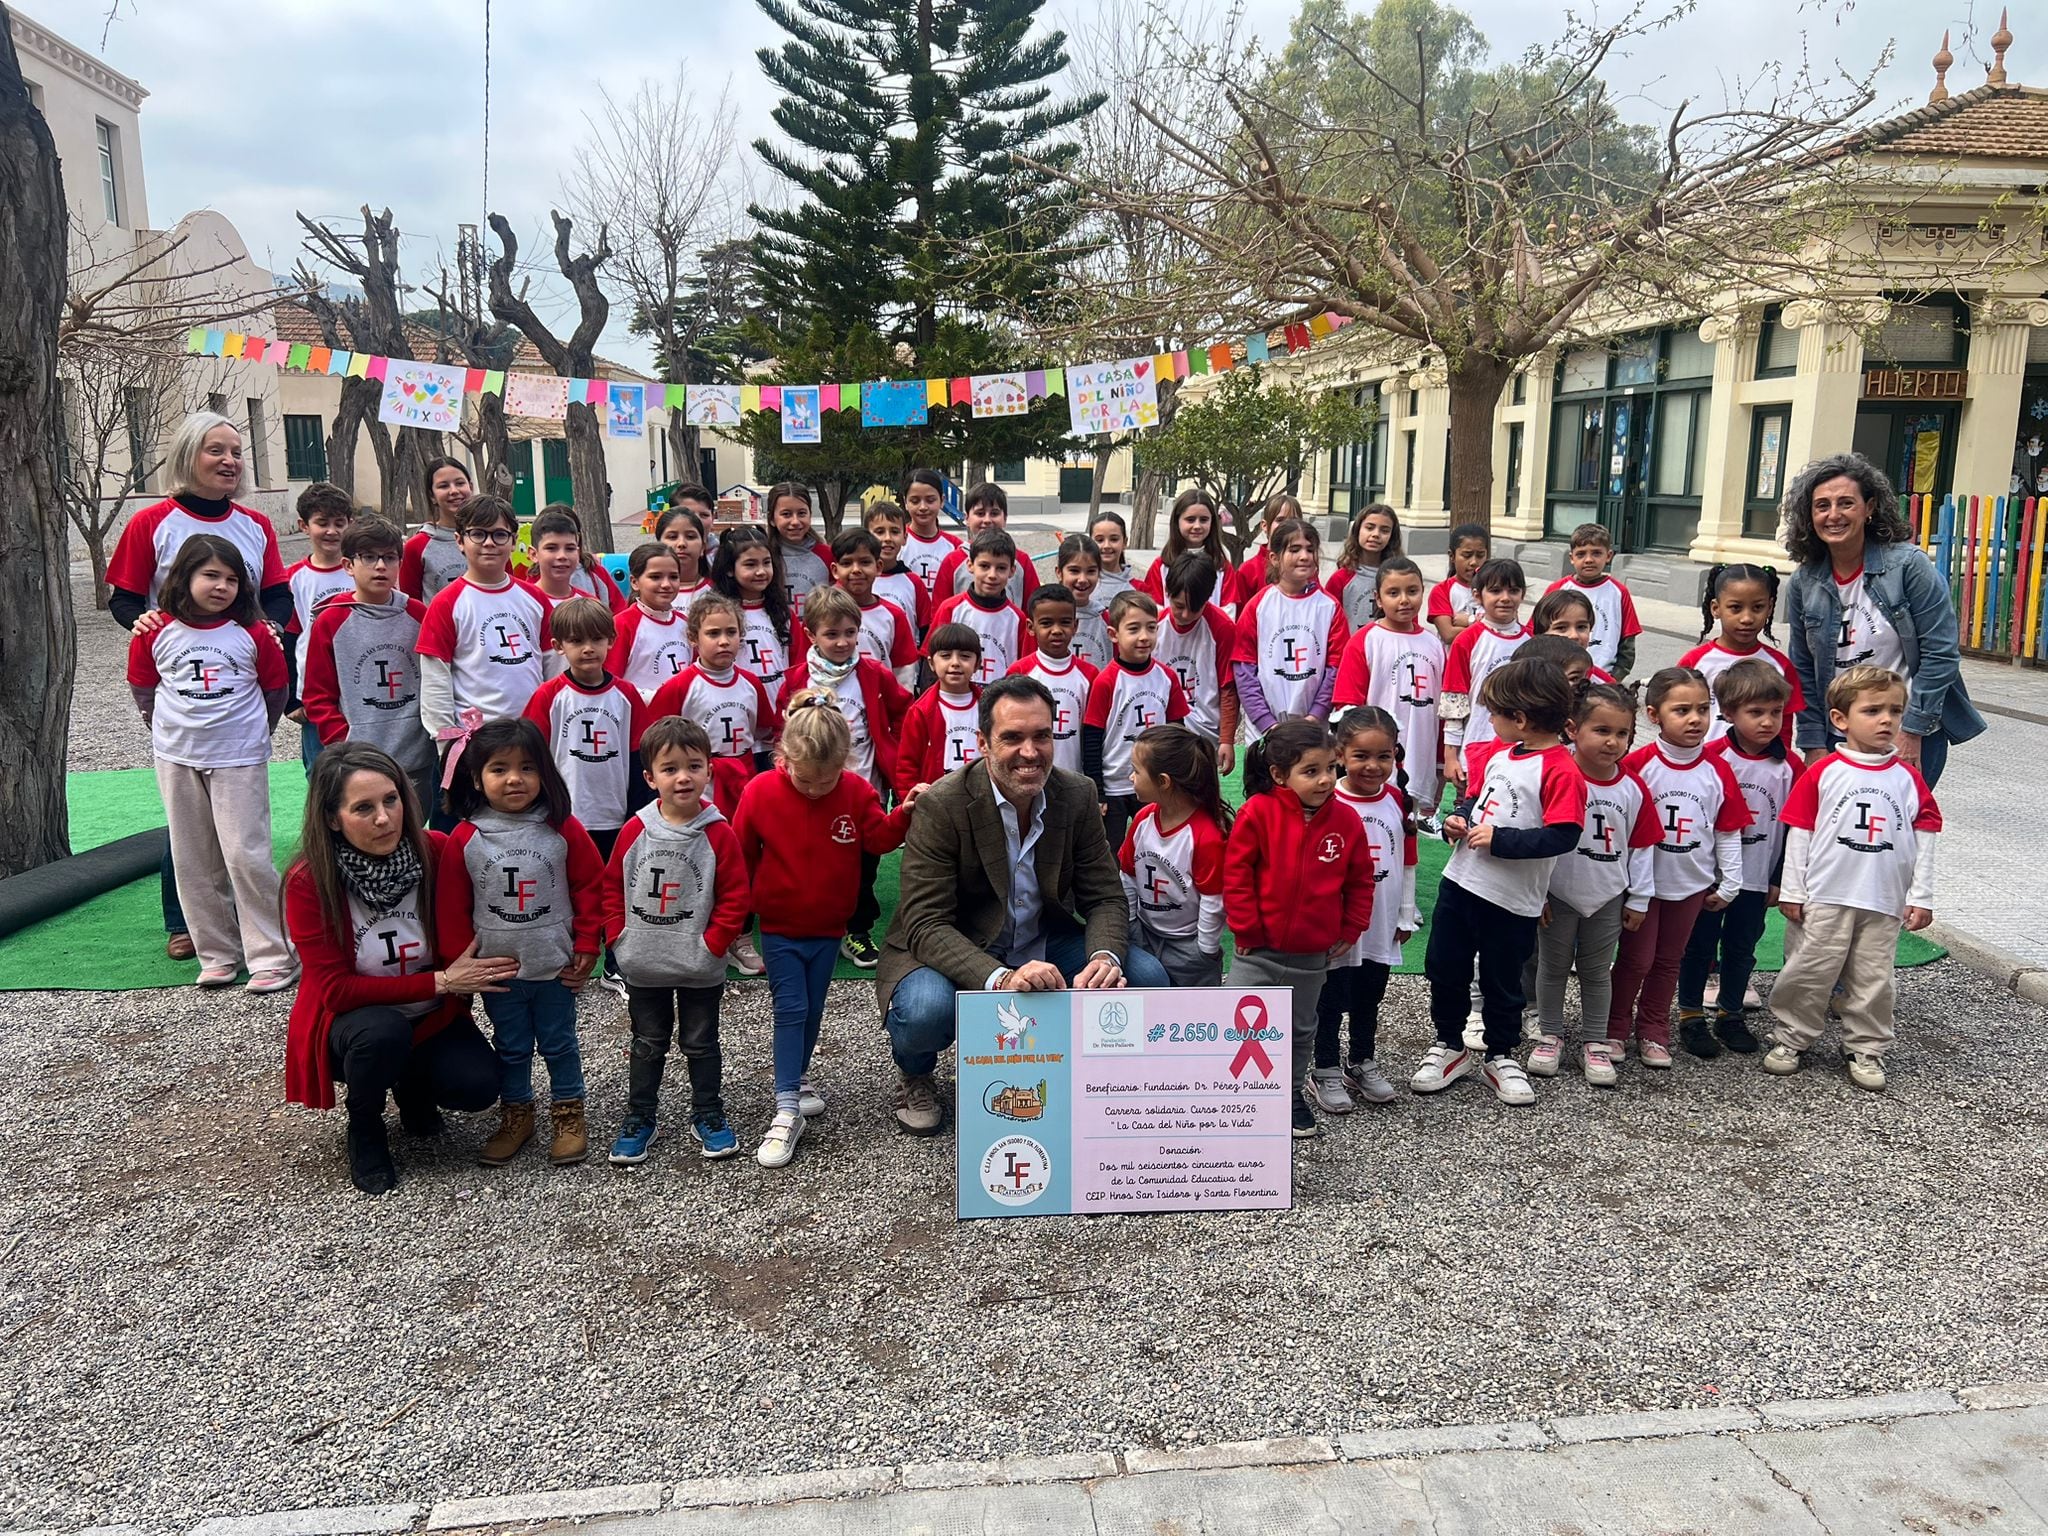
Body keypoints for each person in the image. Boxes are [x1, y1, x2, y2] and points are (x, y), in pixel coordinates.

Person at [876, 675, 1171, 1135]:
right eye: (1012, 738)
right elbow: (925, 922)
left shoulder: (1077, 793)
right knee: (926, 1012)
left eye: (1041, 736)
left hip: (1044, 938)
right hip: (960, 943)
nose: (1030, 752)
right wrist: (1001, 978)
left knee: (1145, 977)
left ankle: (1102, 1082)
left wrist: (1103, 956)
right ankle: (916, 1071)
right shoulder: (943, 804)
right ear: (983, 743)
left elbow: (1106, 895)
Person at [283, 743, 518, 1195]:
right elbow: (336, 991)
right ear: (333, 818)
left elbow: (495, 915)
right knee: (381, 1034)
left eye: (391, 800)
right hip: (353, 1026)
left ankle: (411, 1084)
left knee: (478, 1087)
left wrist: (563, 954)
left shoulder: (436, 850)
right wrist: (444, 981)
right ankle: (366, 1127)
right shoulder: (309, 880)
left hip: (430, 1016)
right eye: (363, 808)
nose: (384, 819)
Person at [108, 410, 292, 961]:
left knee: (241, 827)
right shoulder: (151, 523)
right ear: (189, 455)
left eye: (236, 451)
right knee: (186, 818)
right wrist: (142, 627)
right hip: (182, 683)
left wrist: (270, 631)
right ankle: (185, 922)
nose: (230, 460)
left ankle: (262, 934)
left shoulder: (254, 525)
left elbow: (278, 595)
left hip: (239, 678)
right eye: (217, 450)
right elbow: (124, 597)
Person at [737, 691, 918, 1167]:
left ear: (846, 762)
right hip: (778, 926)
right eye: (805, 778)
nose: (816, 789)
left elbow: (876, 839)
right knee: (790, 1008)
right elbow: (741, 853)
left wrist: (903, 814)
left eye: (827, 779)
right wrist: (741, 914)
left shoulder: (857, 792)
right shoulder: (760, 792)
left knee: (813, 1009)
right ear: (784, 757)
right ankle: (785, 1108)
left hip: (829, 927)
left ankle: (797, 1079)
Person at [1411, 657, 1585, 1105]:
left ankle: (1501, 1053)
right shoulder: (1499, 753)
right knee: (1444, 967)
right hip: (1461, 881)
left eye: (1494, 712)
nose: (1488, 719)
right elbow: (1476, 800)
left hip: (1512, 900)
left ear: (1521, 719)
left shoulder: (1561, 769)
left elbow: (1565, 834)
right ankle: (1449, 1045)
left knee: (1502, 981)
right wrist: (1458, 818)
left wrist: (1501, 840)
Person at [126, 535, 295, 993]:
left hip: (238, 755)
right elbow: (143, 688)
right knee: (193, 857)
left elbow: (274, 690)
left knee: (246, 854)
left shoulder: (255, 633)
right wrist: (165, 732)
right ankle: (218, 952)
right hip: (177, 757)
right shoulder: (155, 630)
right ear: (185, 577)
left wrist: (256, 732)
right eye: (211, 575)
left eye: (232, 579)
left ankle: (272, 952)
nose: (221, 586)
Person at [435, 717, 605, 1168]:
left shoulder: (563, 829)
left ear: (544, 773)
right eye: (499, 768)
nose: (515, 778)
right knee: (510, 1045)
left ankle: (569, 1115)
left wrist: (588, 942)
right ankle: (517, 1114)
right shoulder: (467, 838)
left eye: (527, 767)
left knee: (559, 1043)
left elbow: (591, 886)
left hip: (554, 968)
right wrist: (461, 966)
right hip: (498, 973)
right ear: (476, 777)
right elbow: (452, 906)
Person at [1765, 665, 1940, 1092]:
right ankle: (1793, 1036)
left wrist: (1922, 895)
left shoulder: (1908, 779)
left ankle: (1866, 1046)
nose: (1887, 720)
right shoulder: (1824, 772)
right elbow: (1800, 833)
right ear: (1841, 719)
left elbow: (1926, 834)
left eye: (1895, 711)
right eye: (1873, 710)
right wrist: (1793, 889)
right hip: (1825, 896)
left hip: (1882, 900)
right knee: (1808, 971)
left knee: (1873, 979)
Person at [1779, 451, 1983, 788]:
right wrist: (1813, 741)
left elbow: (1941, 652)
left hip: (1906, 731)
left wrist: (1912, 731)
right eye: (1822, 506)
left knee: (1898, 832)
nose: (1833, 515)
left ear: (1870, 507)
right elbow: (1803, 667)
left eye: (1846, 503)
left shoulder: (1908, 566)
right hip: (1838, 735)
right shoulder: (1805, 580)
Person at [604, 717, 751, 1165]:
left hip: (699, 966)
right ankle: (640, 1117)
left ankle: (707, 1112)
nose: (682, 777)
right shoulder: (636, 830)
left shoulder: (718, 833)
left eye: (693, 765)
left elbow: (736, 894)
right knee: (647, 1042)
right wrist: (618, 936)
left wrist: (714, 943)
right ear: (650, 778)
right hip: (644, 962)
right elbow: (612, 885)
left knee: (702, 1043)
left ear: (709, 770)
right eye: (669, 768)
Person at [1225, 718, 1377, 1139]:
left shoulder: (1346, 821)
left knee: (1298, 1028)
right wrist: (1248, 930)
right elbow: (1236, 876)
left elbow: (1360, 880)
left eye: (1331, 767)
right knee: (1238, 1023)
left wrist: (1352, 926)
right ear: (1279, 775)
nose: (1326, 779)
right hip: (1256, 949)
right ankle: (1232, 1095)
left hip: (1313, 951)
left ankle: (1289, 1094)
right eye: (1311, 771)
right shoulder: (1258, 812)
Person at [1607, 668, 1750, 1070]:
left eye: (1703, 709)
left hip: (1691, 886)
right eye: (1682, 710)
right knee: (1636, 960)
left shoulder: (1718, 769)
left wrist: (1731, 881)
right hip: (1642, 887)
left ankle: (1654, 1029)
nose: (1694, 719)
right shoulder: (1637, 765)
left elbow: (1727, 829)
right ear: (1654, 715)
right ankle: (1615, 1027)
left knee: (1670, 960)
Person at [780, 585, 915, 967]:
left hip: (864, 784)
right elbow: (782, 726)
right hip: (813, 788)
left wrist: (891, 743)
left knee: (863, 860)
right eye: (832, 634)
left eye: (850, 633)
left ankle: (857, 929)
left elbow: (906, 710)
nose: (842, 642)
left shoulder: (872, 673)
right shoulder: (798, 678)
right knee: (817, 857)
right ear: (811, 636)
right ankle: (816, 923)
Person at [1534, 680, 1657, 1087]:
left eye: (1621, 733)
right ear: (1573, 729)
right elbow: (1537, 836)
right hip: (1558, 894)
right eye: (1601, 731)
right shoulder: (1556, 775)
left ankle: (1595, 1041)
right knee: (1552, 967)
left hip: (1607, 895)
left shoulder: (1633, 787)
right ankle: (1550, 1033)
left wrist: (1639, 898)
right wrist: (1536, 893)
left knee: (1596, 971)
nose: (1612, 742)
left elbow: (1642, 846)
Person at [1678, 660, 1803, 1059]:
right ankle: (1691, 1015)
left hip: (1757, 876)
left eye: (1775, 712)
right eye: (1756, 712)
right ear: (1728, 713)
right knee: (1699, 946)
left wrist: (1780, 877)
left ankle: (1731, 1013)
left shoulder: (1790, 766)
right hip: (1710, 878)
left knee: (1742, 946)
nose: (1768, 722)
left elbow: (1796, 829)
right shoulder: (1712, 759)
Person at [1309, 708, 1419, 1112]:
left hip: (1380, 920)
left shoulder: (1396, 800)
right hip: (1337, 923)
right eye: (1361, 756)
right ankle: (1324, 1068)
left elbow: (1408, 858)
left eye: (1383, 756)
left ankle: (1361, 1060)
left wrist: (1405, 912)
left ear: (1394, 756)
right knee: (1330, 997)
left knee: (1370, 995)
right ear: (1340, 753)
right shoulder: (1327, 800)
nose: (1372, 766)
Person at [302, 516, 436, 818]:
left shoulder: (418, 614)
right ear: (348, 565)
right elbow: (317, 695)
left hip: (415, 755)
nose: (380, 566)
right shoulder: (331, 621)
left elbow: (436, 679)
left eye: (389, 558)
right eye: (369, 557)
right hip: (358, 760)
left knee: (415, 829)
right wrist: (344, 744)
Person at [416, 496, 555, 788]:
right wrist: (448, 743)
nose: (489, 543)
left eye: (499, 534)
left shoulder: (535, 599)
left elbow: (552, 668)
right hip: (477, 744)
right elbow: (435, 681)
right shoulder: (447, 603)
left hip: (532, 737)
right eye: (478, 534)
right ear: (460, 540)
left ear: (513, 540)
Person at [523, 597, 649, 864]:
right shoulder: (548, 696)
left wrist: (637, 812)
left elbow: (640, 756)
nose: (588, 649)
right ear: (558, 646)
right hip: (565, 816)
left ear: (611, 641)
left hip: (616, 815)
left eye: (596, 639)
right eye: (577, 641)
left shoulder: (626, 694)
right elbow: (532, 757)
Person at [1331, 555, 1445, 819]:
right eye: (1393, 592)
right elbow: (1346, 707)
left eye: (1412, 591)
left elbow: (1442, 710)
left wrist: (1440, 763)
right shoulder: (1365, 640)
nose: (1404, 600)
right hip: (1374, 761)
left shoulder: (1434, 645)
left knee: (1407, 827)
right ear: (1379, 598)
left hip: (1419, 757)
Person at [1118, 724, 1231, 988]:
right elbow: (1128, 875)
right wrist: (1132, 924)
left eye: (1136, 771)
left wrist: (1205, 949)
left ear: (1164, 782)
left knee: (1194, 1015)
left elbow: (1213, 901)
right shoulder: (1143, 820)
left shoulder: (1206, 835)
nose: (1130, 778)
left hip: (1188, 946)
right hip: (1145, 936)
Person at [1084, 590, 1192, 850]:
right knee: (1112, 850)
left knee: (1156, 845)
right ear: (1113, 634)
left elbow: (1178, 731)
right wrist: (1097, 791)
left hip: (1156, 783)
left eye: (1151, 628)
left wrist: (1177, 780)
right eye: (1133, 629)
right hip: (1115, 786)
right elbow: (1091, 738)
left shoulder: (1166, 677)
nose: (1144, 637)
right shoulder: (1106, 680)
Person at [1232, 516, 1348, 734]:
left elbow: (1336, 667)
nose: (1304, 556)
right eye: (1294, 549)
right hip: (1265, 730)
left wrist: (1316, 714)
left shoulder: (1329, 607)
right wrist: (1265, 720)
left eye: (1310, 549)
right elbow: (1244, 668)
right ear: (1275, 558)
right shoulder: (1258, 606)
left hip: (1314, 727)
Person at [1680, 564, 1801, 749]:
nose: (1747, 618)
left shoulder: (1780, 665)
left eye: (1757, 607)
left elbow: (1784, 725)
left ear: (1769, 607)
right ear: (1716, 608)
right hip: (1704, 765)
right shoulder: (1694, 662)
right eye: (1736, 608)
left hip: (1758, 769)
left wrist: (1781, 761)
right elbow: (1678, 713)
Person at [281, 483, 358, 771]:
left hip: (357, 685)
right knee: (321, 771)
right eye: (322, 523)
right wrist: (291, 699)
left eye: (340, 523)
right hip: (316, 691)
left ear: (350, 523)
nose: (332, 531)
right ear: (304, 525)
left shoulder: (362, 570)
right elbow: (289, 638)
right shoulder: (293, 578)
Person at [1440, 558, 1532, 790]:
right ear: (1477, 596)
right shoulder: (1467, 640)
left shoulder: (1531, 641)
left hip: (1521, 745)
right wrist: (1451, 755)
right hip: (1477, 743)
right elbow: (1454, 699)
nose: (1505, 598)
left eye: (1513, 590)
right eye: (1495, 590)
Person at [1155, 555, 1239, 776]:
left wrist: (1227, 739)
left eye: (1194, 608)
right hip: (1165, 730)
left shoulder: (1222, 628)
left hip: (1204, 731)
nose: (1185, 615)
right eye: (1179, 606)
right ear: (1167, 592)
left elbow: (1228, 687)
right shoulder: (1155, 627)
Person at [1010, 584, 1099, 777]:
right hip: (1029, 773)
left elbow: (1094, 736)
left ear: (1075, 626)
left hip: (1075, 777)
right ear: (1031, 627)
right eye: (1047, 623)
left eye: (1065, 622)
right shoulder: (1019, 672)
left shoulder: (1090, 675)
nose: (1057, 630)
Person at [714, 524, 805, 698]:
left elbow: (799, 664)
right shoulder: (717, 615)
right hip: (736, 704)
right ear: (729, 569)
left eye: (766, 563)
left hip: (781, 707)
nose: (761, 571)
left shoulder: (784, 613)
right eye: (750, 564)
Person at [931, 528, 1032, 683]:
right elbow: (933, 658)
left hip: (1001, 704)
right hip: (958, 701)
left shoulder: (1018, 619)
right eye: (984, 566)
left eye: (1001, 568)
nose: (992, 575)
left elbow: (1025, 669)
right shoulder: (950, 609)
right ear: (970, 565)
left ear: (1012, 571)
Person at [896, 624, 985, 794]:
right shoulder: (920, 711)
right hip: (936, 802)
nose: (955, 663)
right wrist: (911, 799)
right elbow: (907, 765)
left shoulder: (989, 707)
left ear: (977, 664)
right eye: (945, 656)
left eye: (965, 657)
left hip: (980, 797)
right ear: (931, 663)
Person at [1542, 524, 1640, 676]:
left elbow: (1627, 645)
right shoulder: (1556, 589)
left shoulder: (1619, 592)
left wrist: (1615, 678)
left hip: (1603, 677)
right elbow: (1538, 634)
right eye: (1581, 554)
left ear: (1608, 556)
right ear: (1571, 558)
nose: (1588, 560)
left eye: (1596, 553)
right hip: (1560, 676)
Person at [832, 526, 920, 688]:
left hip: (881, 706)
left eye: (865, 562)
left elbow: (903, 673)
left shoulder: (893, 615)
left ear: (878, 567)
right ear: (835, 570)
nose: (856, 570)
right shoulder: (823, 614)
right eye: (847, 563)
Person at [934, 483, 1040, 608]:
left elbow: (1035, 609)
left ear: (1005, 518)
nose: (987, 520)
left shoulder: (1021, 561)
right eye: (980, 513)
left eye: (994, 513)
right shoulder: (952, 561)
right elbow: (939, 610)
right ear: (967, 518)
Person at [1138, 489, 1241, 611]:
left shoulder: (1222, 567)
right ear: (1177, 521)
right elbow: (1152, 612)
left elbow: (1228, 614)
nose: (1197, 526)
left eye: (1203, 520)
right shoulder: (1160, 566)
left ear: (1212, 522)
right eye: (1190, 519)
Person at [610, 543, 692, 694]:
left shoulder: (686, 624)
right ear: (635, 582)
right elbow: (612, 682)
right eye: (655, 577)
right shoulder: (622, 625)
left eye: (673, 577)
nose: (666, 584)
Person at [523, 505, 629, 612]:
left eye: (569, 548)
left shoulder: (595, 575)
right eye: (551, 548)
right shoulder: (525, 597)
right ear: (534, 554)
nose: (562, 556)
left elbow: (619, 613)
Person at [400, 456, 475, 602]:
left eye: (460, 483)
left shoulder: (492, 539)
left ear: (470, 487)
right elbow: (412, 605)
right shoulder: (416, 547)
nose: (454, 491)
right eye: (443, 486)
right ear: (432, 496)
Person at [862, 500, 933, 646]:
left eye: (894, 532)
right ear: (866, 537)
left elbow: (925, 629)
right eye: (879, 532)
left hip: (906, 666)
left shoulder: (914, 583)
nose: (887, 538)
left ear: (905, 537)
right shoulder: (858, 580)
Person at [1324, 503, 1401, 633]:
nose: (1376, 534)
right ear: (1358, 530)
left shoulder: (1399, 577)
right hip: (1351, 650)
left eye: (1385, 530)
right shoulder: (1341, 578)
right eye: (1369, 528)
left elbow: (1409, 619)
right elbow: (1328, 621)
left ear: (1392, 537)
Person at [897, 468, 964, 600]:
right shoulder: (895, 542)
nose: (923, 507)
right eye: (915, 501)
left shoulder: (956, 547)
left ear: (942, 500)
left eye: (930, 500)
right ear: (905, 502)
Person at [766, 481, 835, 608]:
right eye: (786, 514)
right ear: (772, 519)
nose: (795, 521)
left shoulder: (827, 555)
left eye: (802, 513)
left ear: (810, 515)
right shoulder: (764, 557)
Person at [1051, 533, 1113, 671]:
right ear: (1059, 572)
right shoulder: (1044, 617)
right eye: (1074, 571)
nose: (1083, 579)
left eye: (1091, 571)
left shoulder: (1107, 620)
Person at [1232, 493, 1304, 606]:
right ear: (1265, 526)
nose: (1287, 526)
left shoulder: (1305, 566)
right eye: (1280, 520)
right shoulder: (1248, 570)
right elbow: (1241, 618)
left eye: (1294, 520)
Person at [1427, 524, 1490, 644]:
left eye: (1480, 555)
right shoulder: (1442, 590)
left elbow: (1506, 625)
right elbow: (1449, 634)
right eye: (1467, 555)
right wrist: (1488, 625)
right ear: (1452, 556)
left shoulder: (1495, 589)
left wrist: (1470, 621)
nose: (1474, 562)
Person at [653, 502, 713, 611]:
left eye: (690, 536)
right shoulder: (647, 594)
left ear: (703, 547)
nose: (681, 543)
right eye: (672, 537)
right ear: (658, 545)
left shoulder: (718, 593)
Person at [1089, 509, 1139, 600]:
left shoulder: (1139, 589)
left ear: (1125, 542)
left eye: (1114, 539)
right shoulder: (1082, 585)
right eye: (1100, 540)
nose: (1107, 546)